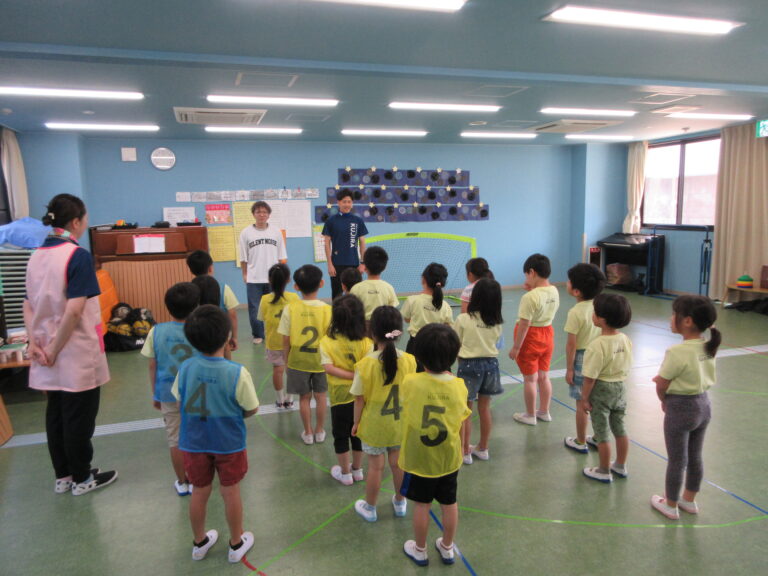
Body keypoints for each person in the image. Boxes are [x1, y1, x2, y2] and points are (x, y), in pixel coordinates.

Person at [24, 193, 117, 495]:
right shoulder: (76, 255)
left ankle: (63, 476)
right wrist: (53, 349)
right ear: (76, 222)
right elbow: (75, 309)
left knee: (56, 414)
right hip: (73, 350)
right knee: (78, 417)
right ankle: (82, 478)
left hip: (44, 350)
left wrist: (35, 344)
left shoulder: (35, 254)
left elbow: (27, 304)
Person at [172, 304, 259, 563]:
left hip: (194, 440)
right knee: (230, 490)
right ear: (227, 337)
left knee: (199, 490)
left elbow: (179, 402)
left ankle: (199, 543)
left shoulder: (186, 368)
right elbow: (251, 408)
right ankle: (235, 543)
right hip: (228, 442)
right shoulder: (236, 372)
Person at [399, 324, 471, 567]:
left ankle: (420, 550)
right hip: (448, 458)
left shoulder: (410, 382)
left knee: (422, 504)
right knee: (450, 503)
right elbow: (463, 418)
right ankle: (447, 547)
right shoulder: (459, 385)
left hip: (419, 459)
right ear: (454, 356)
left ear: (419, 356)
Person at [650, 296, 720, 520]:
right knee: (695, 455)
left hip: (680, 408)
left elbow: (663, 383)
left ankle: (670, 504)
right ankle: (688, 500)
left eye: (674, 314)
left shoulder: (676, 351)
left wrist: (663, 399)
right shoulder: (708, 346)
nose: (671, 318)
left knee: (677, 460)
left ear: (687, 321)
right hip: (703, 406)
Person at [351, 306, 417, 522]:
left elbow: (359, 399)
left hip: (374, 425)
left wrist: (356, 423)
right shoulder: (409, 360)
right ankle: (400, 503)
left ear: (373, 332)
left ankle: (370, 508)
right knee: (398, 464)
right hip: (400, 423)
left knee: (375, 467)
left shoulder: (365, 364)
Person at [141, 282, 200, 496]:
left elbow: (152, 364)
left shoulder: (156, 331)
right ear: (196, 306)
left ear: (167, 307)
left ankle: (182, 482)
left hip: (167, 392)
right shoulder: (199, 330)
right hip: (198, 391)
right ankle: (199, 477)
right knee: (198, 434)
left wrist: (155, 393)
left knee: (175, 438)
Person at [319, 295, 372, 485]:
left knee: (340, 435)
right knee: (357, 433)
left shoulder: (327, 341)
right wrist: (356, 376)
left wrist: (349, 376)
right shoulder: (366, 342)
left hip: (339, 397)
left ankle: (345, 473)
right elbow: (367, 368)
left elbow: (328, 367)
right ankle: (357, 470)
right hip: (362, 397)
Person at [581, 293, 633, 483]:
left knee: (602, 433)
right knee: (620, 428)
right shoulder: (625, 339)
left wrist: (585, 399)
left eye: (595, 313)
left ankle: (603, 470)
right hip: (620, 388)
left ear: (601, 319)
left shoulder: (597, 345)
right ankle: (620, 464)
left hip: (602, 390)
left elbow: (589, 378)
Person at [277, 265, 332, 445]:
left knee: (304, 397)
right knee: (321, 396)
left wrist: (286, 361)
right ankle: (320, 430)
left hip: (298, 360)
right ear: (321, 283)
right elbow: (332, 338)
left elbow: (285, 340)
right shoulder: (327, 309)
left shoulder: (290, 308)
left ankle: (307, 433)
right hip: (321, 361)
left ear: (296, 287)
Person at [453, 278, 504, 464]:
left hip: (468, 365)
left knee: (465, 410)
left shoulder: (463, 319)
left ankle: (464, 450)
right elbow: (496, 343)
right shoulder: (497, 322)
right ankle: (483, 448)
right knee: (485, 408)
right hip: (491, 365)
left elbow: (455, 343)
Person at [508, 253, 560, 425]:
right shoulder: (554, 290)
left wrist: (516, 347)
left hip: (530, 338)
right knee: (544, 376)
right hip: (548, 335)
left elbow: (524, 324)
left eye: (526, 275)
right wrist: (532, 289)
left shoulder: (529, 297)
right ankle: (544, 411)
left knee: (530, 379)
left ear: (531, 272)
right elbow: (542, 304)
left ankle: (530, 415)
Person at [563, 263, 606, 454]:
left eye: (569, 281)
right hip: (601, 356)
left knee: (581, 403)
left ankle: (580, 441)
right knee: (596, 401)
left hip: (582, 358)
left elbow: (571, 345)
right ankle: (597, 438)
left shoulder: (575, 312)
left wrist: (570, 369)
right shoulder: (601, 306)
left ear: (576, 291)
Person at [239, 201, 287, 344]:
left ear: (269, 214)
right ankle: (258, 334)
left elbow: (281, 257)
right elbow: (243, 257)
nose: (261, 214)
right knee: (255, 308)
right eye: (258, 212)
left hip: (273, 278)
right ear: (253, 214)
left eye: (264, 212)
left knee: (275, 306)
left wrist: (282, 276)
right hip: (254, 278)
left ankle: (277, 332)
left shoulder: (276, 232)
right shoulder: (245, 233)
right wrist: (244, 274)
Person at [257, 263, 299, 409]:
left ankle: (280, 400)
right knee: (292, 370)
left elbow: (261, 318)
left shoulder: (264, 299)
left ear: (270, 280)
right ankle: (290, 399)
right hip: (292, 342)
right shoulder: (294, 297)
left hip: (274, 342)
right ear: (288, 280)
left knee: (278, 370)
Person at [401, 262, 453, 370]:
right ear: (442, 284)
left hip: (415, 346)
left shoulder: (412, 300)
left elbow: (406, 319)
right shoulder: (446, 306)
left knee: (412, 374)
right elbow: (448, 326)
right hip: (438, 347)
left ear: (423, 279)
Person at [187, 250, 239, 353]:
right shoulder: (224, 288)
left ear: (191, 270)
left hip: (198, 331)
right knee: (225, 345)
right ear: (210, 268)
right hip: (220, 330)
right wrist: (234, 337)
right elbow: (232, 314)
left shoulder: (189, 289)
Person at [322, 189, 368, 300]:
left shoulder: (358, 220)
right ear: (338, 202)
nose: (347, 204)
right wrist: (329, 264)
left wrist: (363, 263)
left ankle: (355, 316)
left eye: (349, 201)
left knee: (355, 295)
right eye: (344, 201)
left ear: (352, 203)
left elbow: (362, 242)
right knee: (337, 295)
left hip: (354, 264)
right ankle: (337, 317)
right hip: (336, 265)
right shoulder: (331, 221)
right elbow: (327, 243)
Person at [350, 246, 398, 326]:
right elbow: (392, 311)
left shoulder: (356, 288)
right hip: (382, 326)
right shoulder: (389, 287)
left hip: (362, 327)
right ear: (384, 267)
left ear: (365, 267)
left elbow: (352, 311)